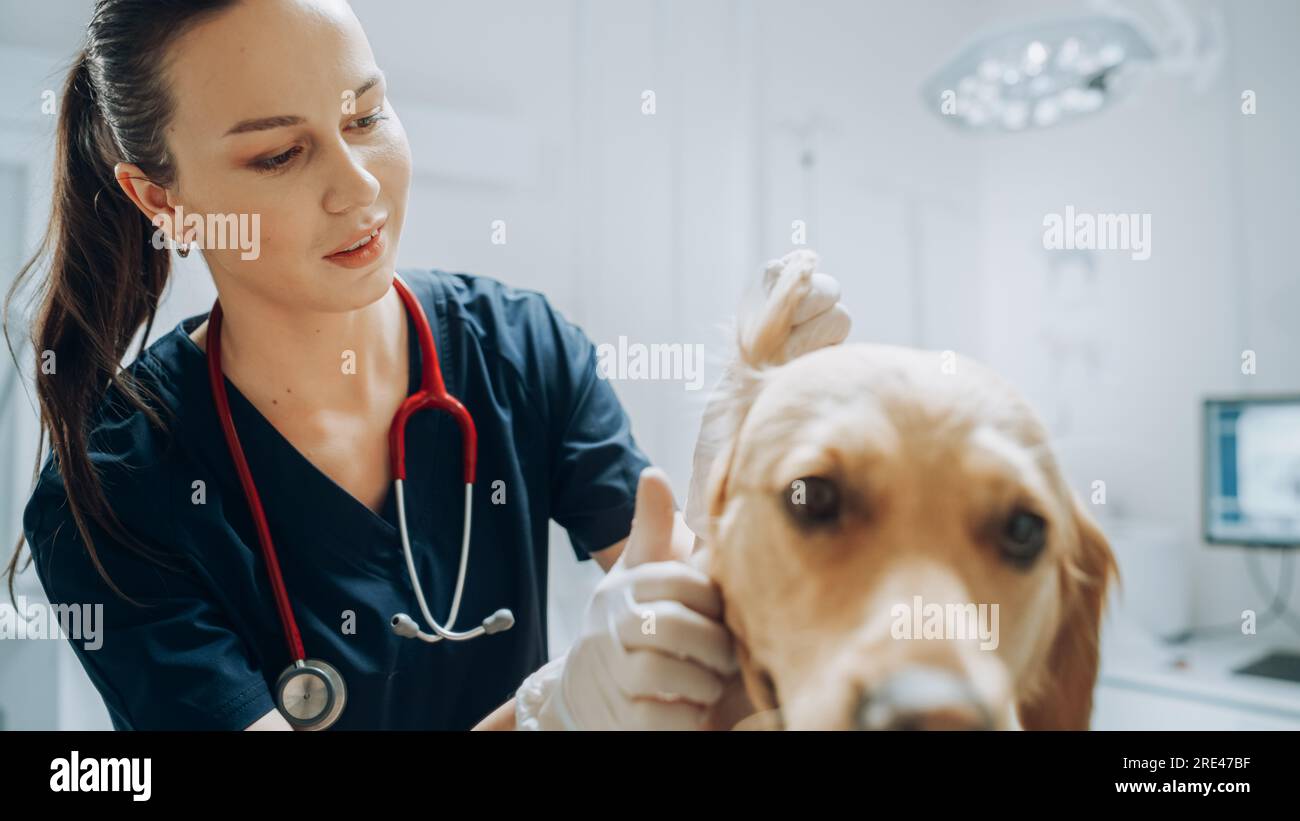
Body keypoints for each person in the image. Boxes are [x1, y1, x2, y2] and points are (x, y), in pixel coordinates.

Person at [3, 0, 848, 731]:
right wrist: (563, 709)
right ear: (162, 201)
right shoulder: (112, 494)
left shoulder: (520, 347)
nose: (357, 186)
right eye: (278, 156)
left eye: (365, 116)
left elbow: (704, 643)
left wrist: (754, 457)